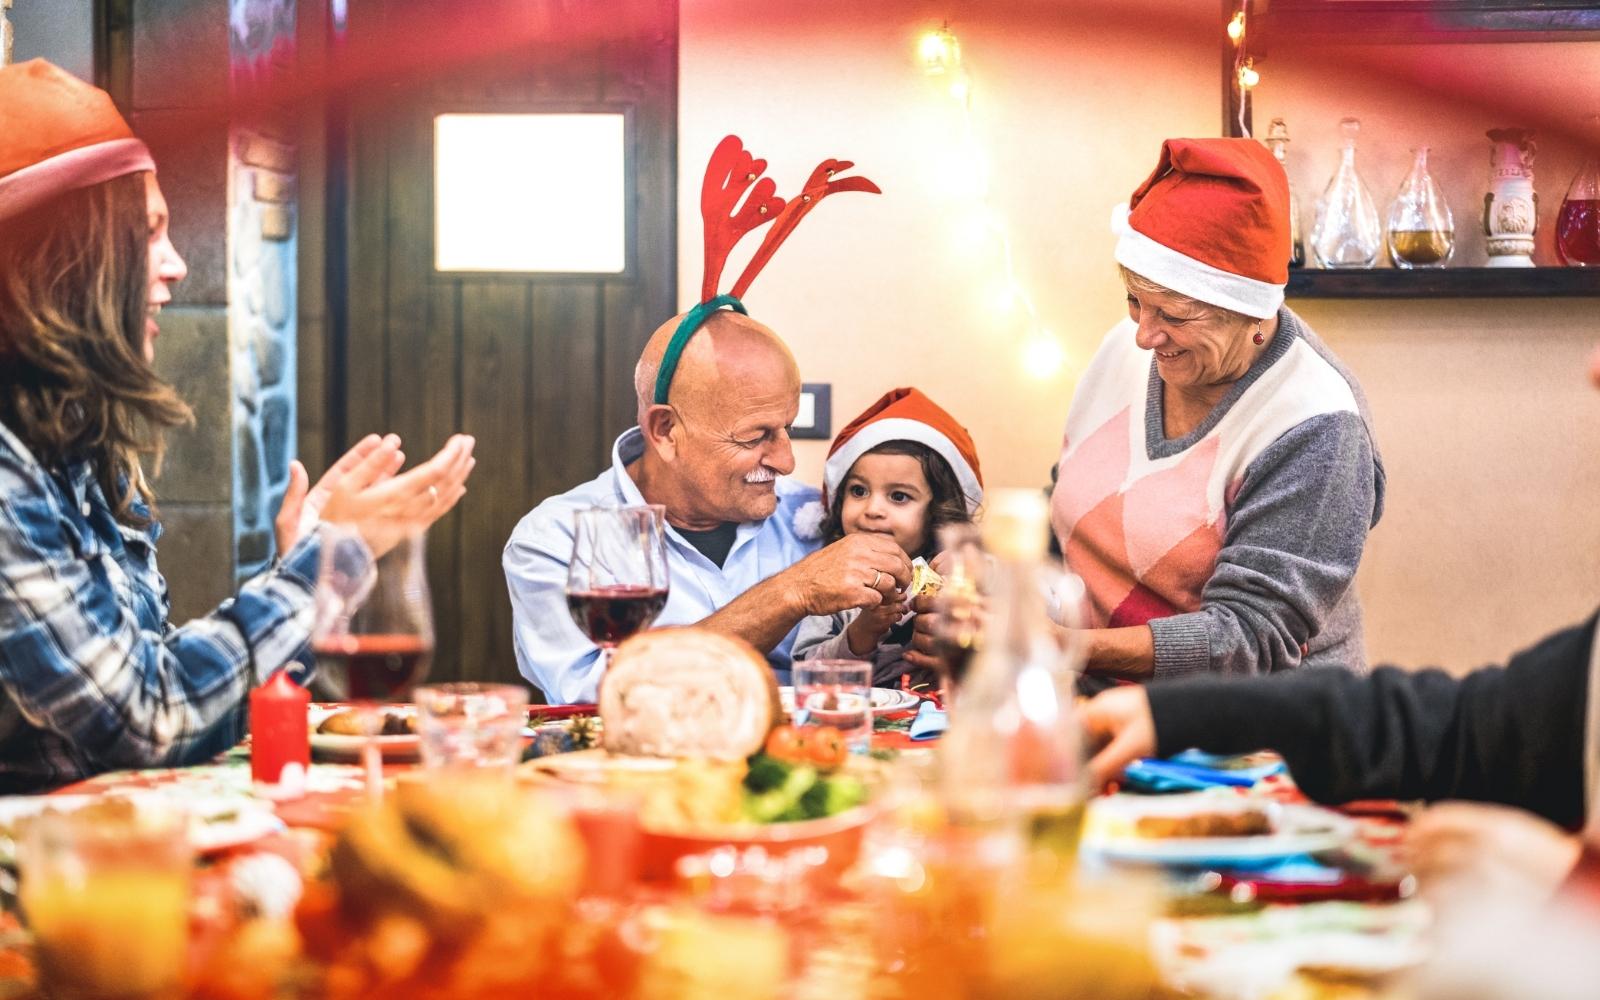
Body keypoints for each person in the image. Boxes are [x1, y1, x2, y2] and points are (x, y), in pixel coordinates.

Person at [0, 60, 475, 792]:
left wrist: (301, 568)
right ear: (69, 258)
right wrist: (322, 566)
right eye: (149, 234)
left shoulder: (74, 441)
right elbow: (150, 721)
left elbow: (147, 671)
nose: (177, 265)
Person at [910, 139, 1387, 685]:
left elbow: (1249, 638)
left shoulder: (1316, 427)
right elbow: (1072, 511)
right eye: (1135, 300)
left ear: (1252, 312)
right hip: (1099, 700)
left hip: (1247, 732)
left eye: (1175, 316)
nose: (1143, 336)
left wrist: (1059, 645)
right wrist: (993, 576)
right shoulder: (1132, 348)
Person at [504, 136, 911, 704]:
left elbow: (865, 672)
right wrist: (788, 594)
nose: (788, 460)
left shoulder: (814, 519)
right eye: (755, 436)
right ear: (666, 430)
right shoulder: (558, 538)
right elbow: (599, 697)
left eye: (787, 427)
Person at [791, 388, 983, 688]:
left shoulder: (960, 571)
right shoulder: (831, 581)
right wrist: (861, 634)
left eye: (898, 496)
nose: (873, 509)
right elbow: (806, 675)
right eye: (858, 491)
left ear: (938, 511)